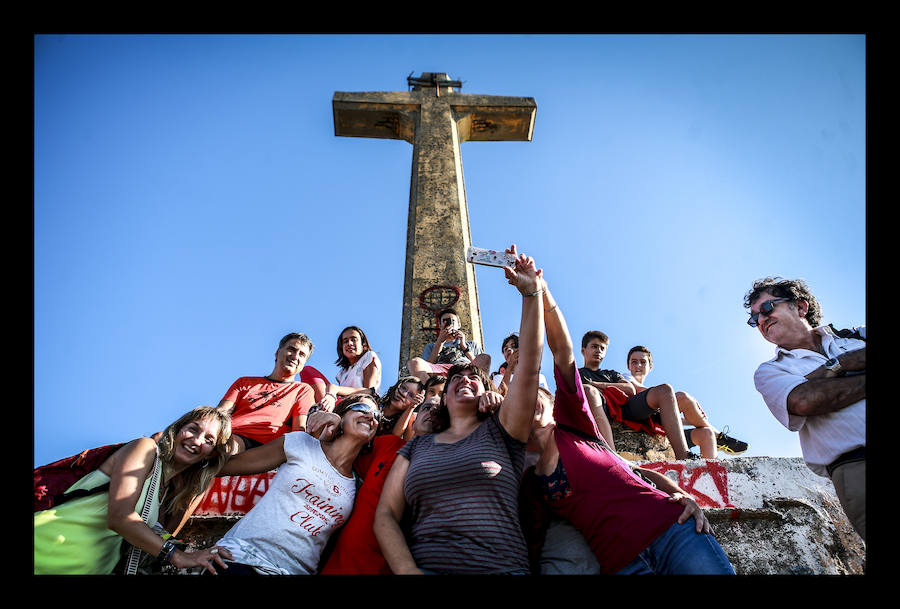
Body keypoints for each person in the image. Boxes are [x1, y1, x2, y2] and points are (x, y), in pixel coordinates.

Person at [521, 278, 735, 575]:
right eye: (520, 398)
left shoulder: (574, 426)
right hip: (623, 565)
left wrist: (539, 291)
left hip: (672, 531)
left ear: (552, 400)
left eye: (536, 394)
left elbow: (561, 351)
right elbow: (529, 543)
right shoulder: (531, 480)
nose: (529, 401)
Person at [374, 244, 543, 575]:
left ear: (486, 391)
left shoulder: (504, 432)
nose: (464, 379)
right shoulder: (417, 446)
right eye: (457, 378)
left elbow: (530, 366)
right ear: (441, 395)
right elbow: (385, 515)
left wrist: (531, 295)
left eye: (473, 378)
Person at [34, 406, 234, 574]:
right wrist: (177, 556)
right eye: (193, 429)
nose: (197, 441)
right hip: (44, 549)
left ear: (210, 455)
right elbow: (120, 516)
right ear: (177, 429)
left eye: (209, 440)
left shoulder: (165, 496)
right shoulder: (144, 449)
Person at [744, 277, 865, 540]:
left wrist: (825, 376)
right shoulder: (771, 371)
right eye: (755, 320)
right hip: (858, 467)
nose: (761, 321)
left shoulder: (858, 335)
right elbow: (804, 401)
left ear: (800, 307)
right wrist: (843, 364)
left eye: (766, 309)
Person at [211, 393, 381, 574]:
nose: (370, 416)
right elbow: (224, 467)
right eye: (361, 408)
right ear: (341, 416)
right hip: (241, 559)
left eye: (376, 415)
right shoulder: (301, 443)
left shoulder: (357, 485)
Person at [580, 331, 692, 459]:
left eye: (602, 348)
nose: (598, 351)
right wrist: (591, 387)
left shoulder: (611, 374)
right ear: (583, 351)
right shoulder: (576, 374)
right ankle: (612, 457)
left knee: (665, 390)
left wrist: (598, 384)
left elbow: (630, 389)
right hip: (601, 409)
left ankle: (684, 456)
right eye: (594, 346)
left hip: (625, 408)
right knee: (589, 390)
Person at [623, 346, 749, 458]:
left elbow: (668, 418)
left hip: (655, 424)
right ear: (628, 366)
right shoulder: (626, 377)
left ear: (650, 367)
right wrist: (689, 404)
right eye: (634, 362)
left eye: (643, 362)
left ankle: (710, 473)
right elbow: (638, 389)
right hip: (637, 417)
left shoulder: (655, 394)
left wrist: (693, 419)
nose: (638, 365)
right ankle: (720, 437)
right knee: (682, 397)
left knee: (706, 433)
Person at [216, 332, 317, 455]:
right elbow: (220, 413)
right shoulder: (244, 382)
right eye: (292, 349)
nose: (295, 356)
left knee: (228, 449)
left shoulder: (302, 390)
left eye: (302, 354)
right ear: (277, 352)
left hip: (269, 447)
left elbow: (299, 429)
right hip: (232, 436)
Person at [407, 308, 491, 383]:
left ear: (459, 324)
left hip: (465, 368)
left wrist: (464, 346)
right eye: (445, 321)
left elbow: (480, 366)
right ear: (440, 326)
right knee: (414, 362)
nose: (449, 324)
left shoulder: (471, 344)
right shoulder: (431, 346)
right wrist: (439, 342)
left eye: (452, 321)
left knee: (485, 357)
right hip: (441, 371)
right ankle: (431, 390)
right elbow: (427, 366)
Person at [316, 326, 383, 412]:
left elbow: (370, 392)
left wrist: (335, 389)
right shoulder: (342, 373)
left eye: (354, 339)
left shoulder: (368, 357)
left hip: (359, 405)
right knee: (308, 371)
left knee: (331, 388)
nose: (349, 343)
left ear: (363, 345)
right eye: (345, 341)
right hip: (341, 404)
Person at [491, 332, 550, 396]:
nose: (509, 349)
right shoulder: (498, 378)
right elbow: (500, 396)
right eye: (505, 349)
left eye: (514, 346)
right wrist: (510, 367)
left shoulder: (539, 377)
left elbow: (547, 399)